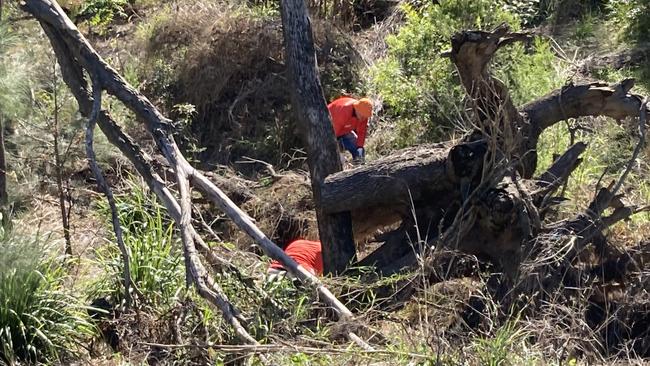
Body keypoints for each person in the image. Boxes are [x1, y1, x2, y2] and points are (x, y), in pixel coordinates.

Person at [327, 96, 373, 165]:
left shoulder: (363, 115)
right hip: (327, 132)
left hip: (344, 131)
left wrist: (359, 147)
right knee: (337, 159)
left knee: (358, 149)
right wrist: (337, 151)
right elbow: (332, 134)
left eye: (365, 117)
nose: (363, 118)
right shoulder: (343, 111)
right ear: (357, 109)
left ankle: (360, 169)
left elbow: (362, 132)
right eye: (362, 116)